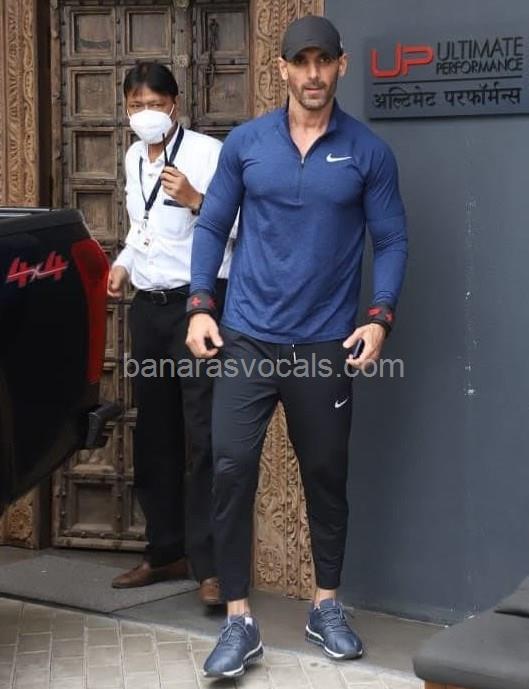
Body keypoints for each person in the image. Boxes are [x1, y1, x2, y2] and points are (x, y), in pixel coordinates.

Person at [185, 15, 408, 677]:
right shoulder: (247, 144)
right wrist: (200, 304)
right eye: (300, 62)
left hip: (323, 345)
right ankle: (238, 619)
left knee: (326, 477)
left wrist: (379, 317)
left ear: (341, 66)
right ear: (281, 68)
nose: (312, 74)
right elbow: (212, 223)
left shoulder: (367, 152)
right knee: (230, 469)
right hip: (247, 338)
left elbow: (391, 239)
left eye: (323, 61)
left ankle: (325, 606)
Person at [108, 62, 234, 606]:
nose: (145, 114)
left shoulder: (209, 154)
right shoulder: (134, 156)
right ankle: (164, 551)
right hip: (149, 308)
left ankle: (212, 566)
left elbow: (243, 227)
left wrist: (197, 199)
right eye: (135, 105)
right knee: (153, 431)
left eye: (154, 104)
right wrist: (123, 265)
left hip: (197, 306)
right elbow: (141, 228)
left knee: (204, 435)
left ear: (175, 105)